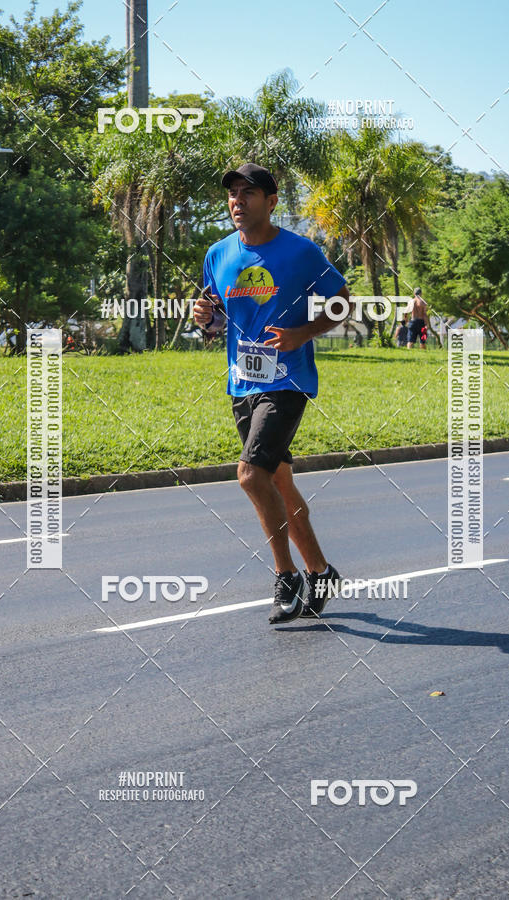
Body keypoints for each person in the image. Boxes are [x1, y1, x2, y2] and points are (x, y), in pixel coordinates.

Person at [194, 163, 349, 625]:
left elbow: (342, 302)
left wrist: (303, 333)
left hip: (287, 381)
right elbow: (216, 319)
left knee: (249, 475)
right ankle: (321, 572)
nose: (237, 201)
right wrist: (206, 318)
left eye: (248, 193)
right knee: (277, 482)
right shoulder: (218, 254)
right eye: (232, 194)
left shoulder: (300, 251)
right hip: (242, 382)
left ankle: (286, 576)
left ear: (272, 201)